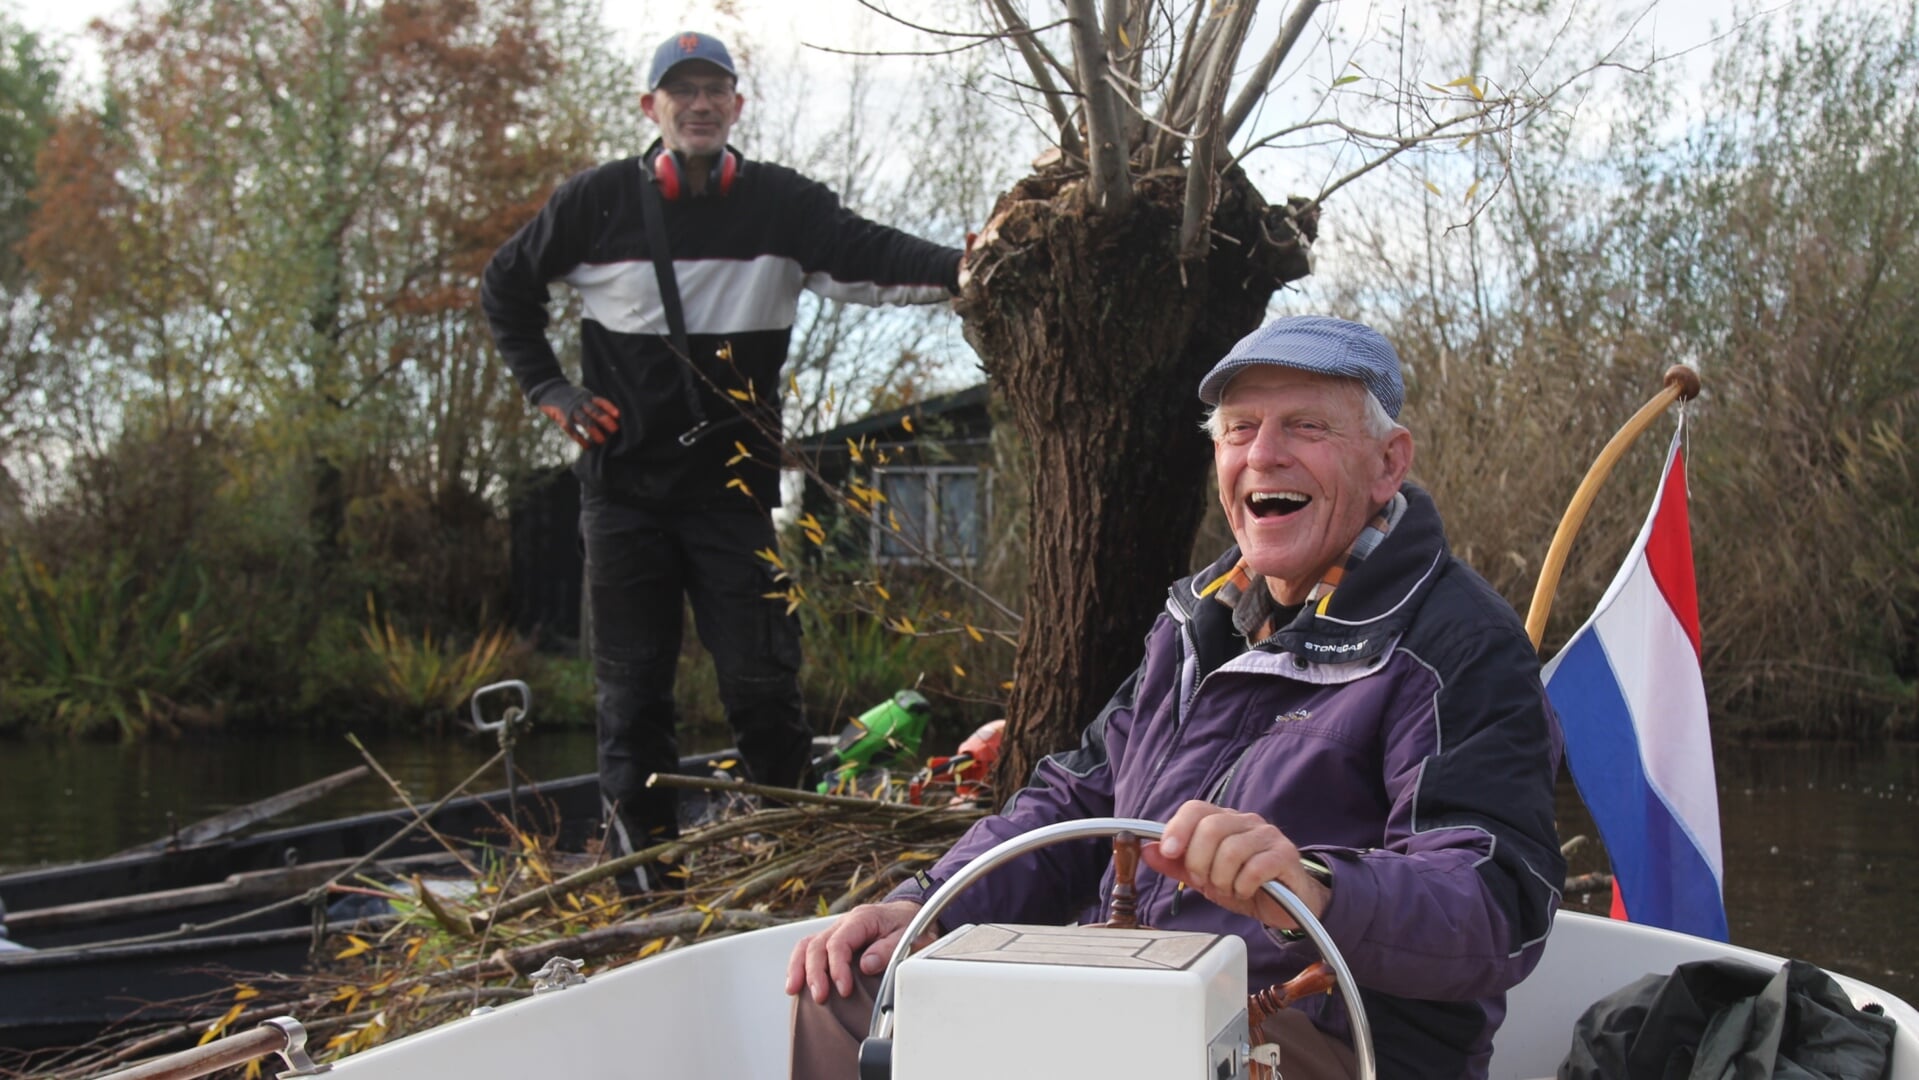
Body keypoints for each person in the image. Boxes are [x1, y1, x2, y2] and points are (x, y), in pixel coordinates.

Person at [784, 315, 1566, 1079]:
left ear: (1387, 464)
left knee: (1145, 1057)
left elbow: (1497, 907)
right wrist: (925, 906)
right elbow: (1072, 803)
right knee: (852, 987)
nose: (1263, 454)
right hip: (1132, 989)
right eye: (1238, 429)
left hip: (1322, 1033)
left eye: (1304, 427)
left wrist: (1313, 887)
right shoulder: (1196, 619)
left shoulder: (1458, 645)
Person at [482, 32, 964, 888]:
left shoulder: (782, 208)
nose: (699, 104)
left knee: (761, 684)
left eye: (715, 90)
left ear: (737, 107)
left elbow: (875, 258)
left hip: (732, 494)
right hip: (622, 494)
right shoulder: (593, 205)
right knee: (632, 698)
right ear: (650, 109)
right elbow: (504, 287)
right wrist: (551, 392)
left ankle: (796, 859)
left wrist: (974, 267)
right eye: (681, 91)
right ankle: (646, 885)